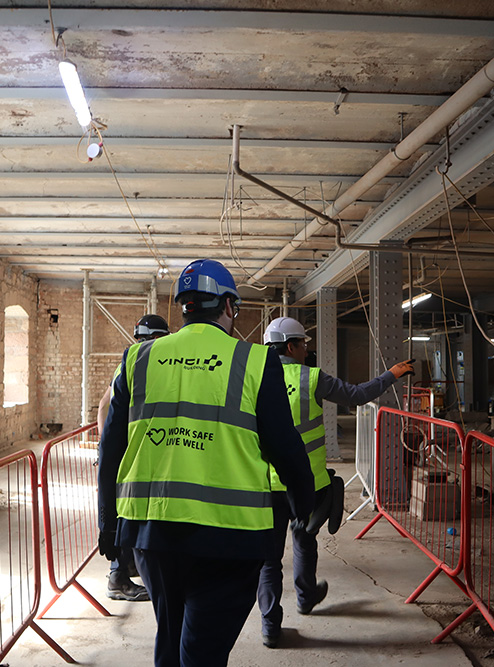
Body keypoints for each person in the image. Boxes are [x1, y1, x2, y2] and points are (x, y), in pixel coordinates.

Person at [97, 259, 315, 667]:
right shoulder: (255, 361)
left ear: (184, 307)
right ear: (229, 307)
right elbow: (286, 449)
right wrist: (304, 506)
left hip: (152, 535)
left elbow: (109, 450)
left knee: (172, 634)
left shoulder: (138, 359)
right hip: (228, 539)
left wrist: (108, 523)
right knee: (202, 650)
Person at [256, 315, 415, 648]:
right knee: (303, 539)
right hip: (305, 483)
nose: (305, 351)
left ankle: (270, 626)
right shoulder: (310, 378)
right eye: (303, 345)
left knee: (268, 559)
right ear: (291, 346)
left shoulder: (253, 377)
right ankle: (305, 596)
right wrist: (391, 375)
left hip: (264, 485)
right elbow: (357, 395)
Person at [95, 313, 170, 602]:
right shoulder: (138, 365)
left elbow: (103, 406)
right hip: (131, 455)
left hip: (132, 451)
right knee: (127, 510)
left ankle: (126, 565)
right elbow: (104, 406)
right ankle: (118, 577)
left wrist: (106, 446)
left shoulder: (134, 364)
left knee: (130, 509)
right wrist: (107, 450)